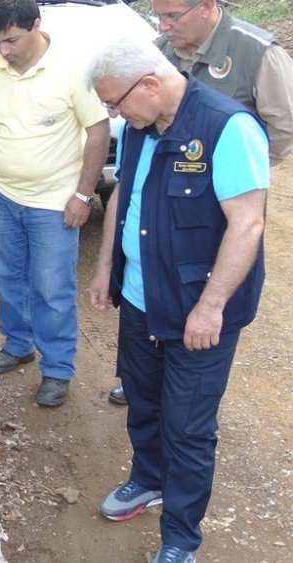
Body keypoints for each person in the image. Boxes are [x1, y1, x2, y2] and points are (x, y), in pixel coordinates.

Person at [86, 38, 268, 562]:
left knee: (187, 428)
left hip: (197, 312)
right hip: (142, 302)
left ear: (149, 84)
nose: (112, 113)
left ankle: (180, 540)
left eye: (115, 103)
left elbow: (248, 223)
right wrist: (105, 268)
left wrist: (210, 307)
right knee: (142, 402)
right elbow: (123, 194)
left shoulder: (226, 127)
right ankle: (147, 479)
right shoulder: (143, 125)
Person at [107, 0, 293, 405]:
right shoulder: (160, 51)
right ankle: (151, 379)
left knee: (205, 292)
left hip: (222, 194)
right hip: (164, 196)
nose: (164, 25)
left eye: (173, 16)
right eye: (159, 15)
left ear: (206, 7)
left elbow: (283, 122)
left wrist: (241, 176)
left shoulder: (256, 51)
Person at [0, 0, 110, 406]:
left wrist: (83, 194)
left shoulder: (71, 70)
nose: (4, 50)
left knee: (51, 287)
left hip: (53, 201)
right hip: (0, 193)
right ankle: (19, 342)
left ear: (37, 26)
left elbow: (98, 131)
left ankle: (58, 368)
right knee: (8, 275)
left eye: (11, 39)